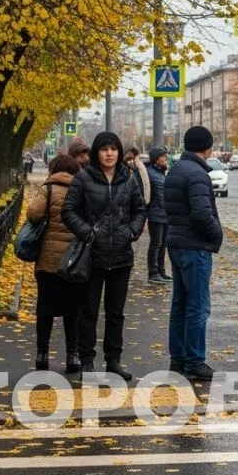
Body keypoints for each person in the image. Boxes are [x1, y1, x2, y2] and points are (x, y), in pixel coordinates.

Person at [61, 131, 147, 380]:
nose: (109, 154)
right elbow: (68, 210)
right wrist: (87, 232)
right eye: (104, 149)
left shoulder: (128, 178)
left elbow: (140, 209)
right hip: (92, 255)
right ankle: (87, 362)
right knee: (88, 311)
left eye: (113, 149)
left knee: (116, 312)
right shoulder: (84, 177)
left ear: (119, 152)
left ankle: (113, 361)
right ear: (96, 153)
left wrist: (131, 232)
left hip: (121, 256)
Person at [164, 126, 224, 380]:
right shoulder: (198, 174)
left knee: (180, 304)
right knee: (198, 307)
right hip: (195, 246)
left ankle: (178, 359)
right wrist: (217, 234)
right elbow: (202, 214)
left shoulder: (176, 169)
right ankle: (194, 362)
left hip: (176, 243)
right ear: (207, 148)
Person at [27, 155, 84, 374]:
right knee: (73, 309)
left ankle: (42, 354)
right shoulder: (81, 189)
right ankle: (73, 355)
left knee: (45, 308)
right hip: (74, 259)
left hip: (48, 259)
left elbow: (34, 215)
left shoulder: (48, 189)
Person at [144, 147, 170, 283]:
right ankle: (153, 272)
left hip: (164, 214)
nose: (165, 158)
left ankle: (161, 271)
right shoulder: (149, 173)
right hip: (155, 214)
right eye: (163, 156)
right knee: (156, 244)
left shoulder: (161, 173)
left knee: (163, 244)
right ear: (156, 159)